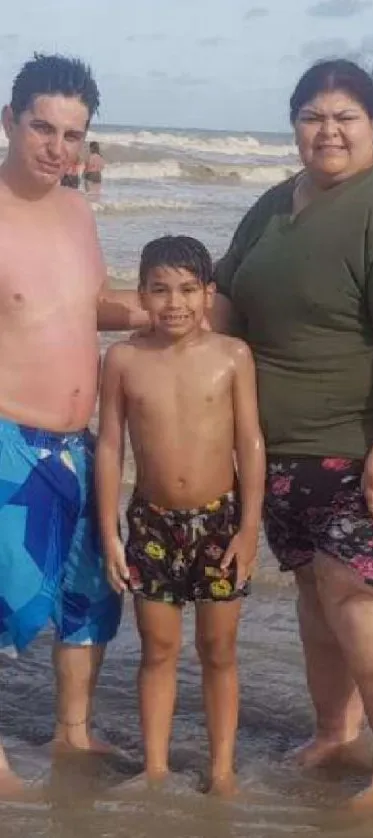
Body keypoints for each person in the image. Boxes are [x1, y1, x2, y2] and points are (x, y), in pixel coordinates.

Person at [211, 58, 373, 810]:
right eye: (311, 115)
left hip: (360, 446)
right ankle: (333, 733)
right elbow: (223, 302)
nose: (326, 130)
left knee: (361, 598)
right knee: (313, 599)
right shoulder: (269, 202)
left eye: (343, 116)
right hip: (279, 450)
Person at [0, 52, 149, 797]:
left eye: (72, 133)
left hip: (78, 446)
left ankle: (73, 732)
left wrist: (164, 309)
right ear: (9, 121)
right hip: (7, 443)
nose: (57, 147)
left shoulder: (75, 205)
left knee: (87, 600)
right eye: (42, 128)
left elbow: (89, 303)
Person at [95, 235, 265, 795]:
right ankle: (156, 769)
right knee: (157, 650)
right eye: (160, 290)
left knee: (218, 651)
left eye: (189, 290)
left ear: (208, 293)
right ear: (141, 294)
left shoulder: (232, 355)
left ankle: (221, 771)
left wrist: (247, 530)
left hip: (220, 521)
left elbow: (251, 443)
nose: (175, 303)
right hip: (152, 521)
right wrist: (110, 532)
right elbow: (110, 448)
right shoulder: (122, 358)